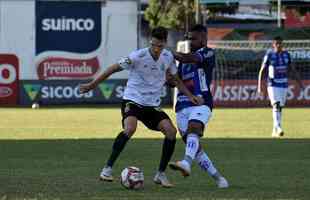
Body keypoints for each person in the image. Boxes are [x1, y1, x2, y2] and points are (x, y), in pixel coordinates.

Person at [79, 26, 203, 188]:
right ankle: (107, 169)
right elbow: (112, 69)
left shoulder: (168, 57)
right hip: (133, 99)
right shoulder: (138, 56)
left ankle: (160, 174)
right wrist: (92, 84)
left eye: (160, 46)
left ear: (165, 43)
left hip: (151, 105)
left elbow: (176, 79)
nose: (157, 49)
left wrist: (190, 96)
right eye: (154, 45)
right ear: (150, 42)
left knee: (171, 132)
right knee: (130, 128)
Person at [167, 24, 229, 188]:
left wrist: (166, 52)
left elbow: (188, 58)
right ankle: (219, 179)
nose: (191, 41)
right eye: (189, 38)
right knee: (196, 149)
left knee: (194, 128)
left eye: (194, 38)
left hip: (201, 102)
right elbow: (173, 83)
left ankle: (186, 162)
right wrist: (166, 74)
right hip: (181, 107)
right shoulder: (184, 62)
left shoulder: (207, 53)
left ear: (203, 38)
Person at [258, 36, 302, 137]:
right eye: (277, 43)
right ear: (273, 45)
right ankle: (278, 127)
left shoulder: (287, 55)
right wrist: (259, 86)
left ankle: (274, 130)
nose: (279, 45)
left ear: (282, 44)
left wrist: (300, 83)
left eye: (280, 43)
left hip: (284, 84)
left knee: (280, 107)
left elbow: (293, 70)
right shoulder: (269, 55)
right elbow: (262, 71)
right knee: (276, 105)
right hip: (272, 84)